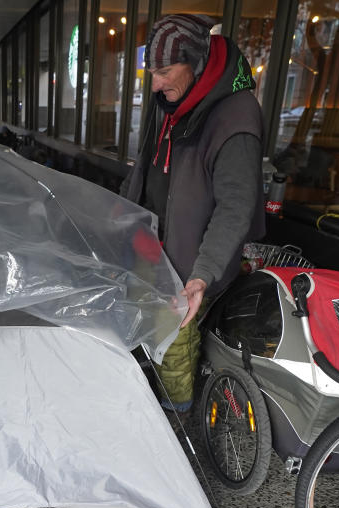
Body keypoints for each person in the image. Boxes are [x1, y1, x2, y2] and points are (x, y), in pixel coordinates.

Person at [119, 14, 265, 413]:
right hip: (151, 246)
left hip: (191, 261)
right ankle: (142, 403)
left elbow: (236, 206)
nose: (156, 83)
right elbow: (146, 168)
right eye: (151, 72)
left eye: (164, 71)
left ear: (196, 63)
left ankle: (174, 424)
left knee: (174, 349)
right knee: (140, 330)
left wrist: (202, 275)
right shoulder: (172, 99)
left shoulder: (236, 117)